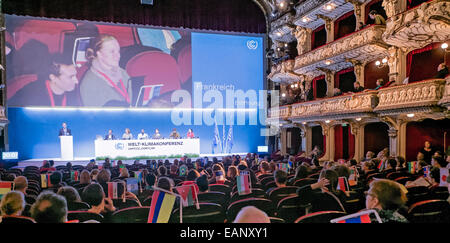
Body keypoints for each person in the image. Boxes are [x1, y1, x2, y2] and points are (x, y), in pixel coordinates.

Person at [8, 54, 81, 107]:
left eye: (75, 75)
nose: (76, 81)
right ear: (53, 78)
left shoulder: (72, 92)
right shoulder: (32, 93)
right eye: (71, 77)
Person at [80, 35, 133, 107]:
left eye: (118, 51)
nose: (118, 55)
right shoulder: (89, 83)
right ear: (99, 54)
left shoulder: (123, 73)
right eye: (112, 52)